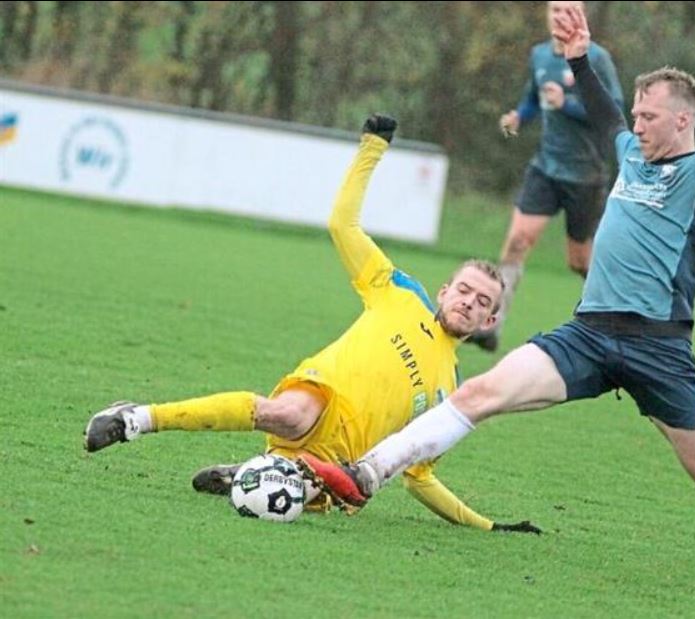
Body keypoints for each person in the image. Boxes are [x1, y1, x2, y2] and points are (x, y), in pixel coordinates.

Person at [312, 9, 695, 594]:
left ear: (683, 120)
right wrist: (579, 57)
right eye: (636, 114)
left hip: (659, 349)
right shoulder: (631, 153)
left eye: (649, 116)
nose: (636, 124)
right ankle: (366, 474)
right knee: (480, 393)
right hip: (587, 335)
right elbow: (604, 112)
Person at [82, 115, 540, 535]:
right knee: (289, 415)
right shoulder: (400, 292)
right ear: (444, 290)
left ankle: (252, 473)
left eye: (482, 302)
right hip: (322, 397)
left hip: (332, 463)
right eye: (464, 290)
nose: (468, 302)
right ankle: (137, 418)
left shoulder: (452, 391)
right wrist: (373, 147)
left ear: (490, 320)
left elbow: (420, 477)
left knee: (309, 494)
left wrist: (487, 526)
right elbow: (343, 224)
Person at [468, 0, 624, 352]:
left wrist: (566, 104)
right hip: (545, 167)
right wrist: (519, 117)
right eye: (555, 10)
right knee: (517, 241)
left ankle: (617, 316)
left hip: (584, 174)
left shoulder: (597, 59)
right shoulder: (539, 55)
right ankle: (490, 326)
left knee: (579, 261)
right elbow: (532, 98)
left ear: (581, 14)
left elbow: (613, 111)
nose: (560, 16)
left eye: (568, 10)